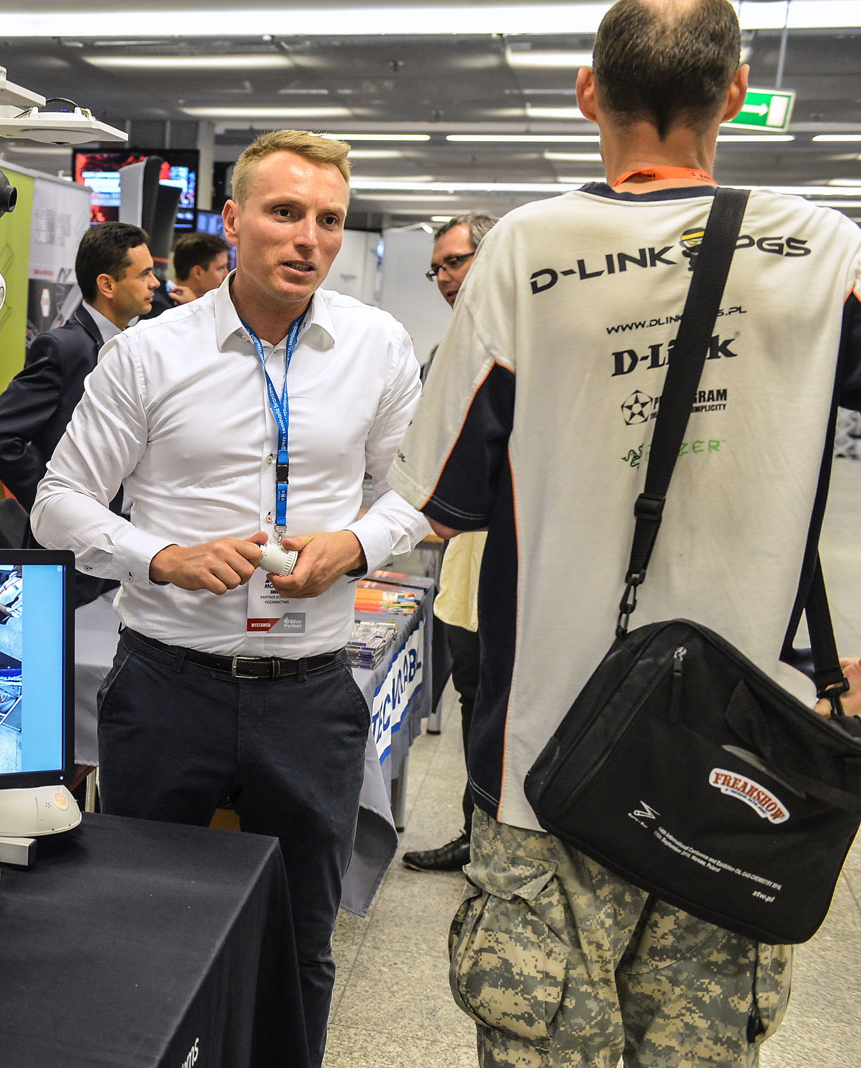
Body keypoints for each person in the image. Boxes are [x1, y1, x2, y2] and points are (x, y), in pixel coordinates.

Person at [388, 2, 861, 1064]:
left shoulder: (527, 245)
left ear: (588, 93)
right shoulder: (826, 249)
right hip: (743, 754)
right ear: (734, 94)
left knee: (544, 1040)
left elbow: (439, 488)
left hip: (551, 753)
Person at [32, 129, 429, 1065]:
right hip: (169, 685)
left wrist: (359, 542)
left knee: (300, 940)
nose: (309, 239)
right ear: (233, 220)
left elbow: (417, 489)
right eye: (285, 213)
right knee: (138, 928)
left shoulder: (376, 345)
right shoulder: (148, 354)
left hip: (310, 691)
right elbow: (59, 504)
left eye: (328, 220)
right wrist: (159, 553)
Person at [0, 222, 158, 607]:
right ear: (107, 285)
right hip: (69, 550)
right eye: (144, 274)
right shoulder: (64, 348)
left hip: (121, 543)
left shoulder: (138, 347)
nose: (155, 283)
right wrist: (53, 497)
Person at [400, 210, 497, 875]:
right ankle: (476, 833)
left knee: (512, 706)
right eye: (436, 267)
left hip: (523, 568)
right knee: (473, 699)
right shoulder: (447, 353)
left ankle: (510, 844)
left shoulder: (536, 346)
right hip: (464, 566)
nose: (443, 278)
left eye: (455, 262)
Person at [167, 231, 233, 306]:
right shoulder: (160, 306)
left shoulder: (212, 304)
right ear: (197, 273)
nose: (226, 274)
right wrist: (193, 307)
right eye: (220, 268)